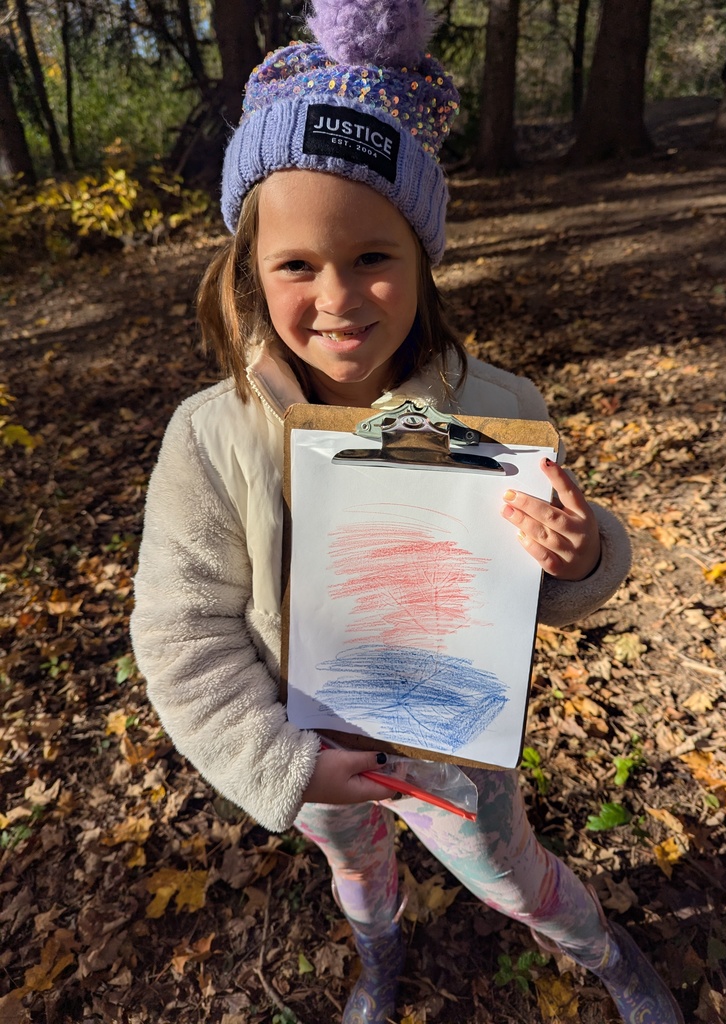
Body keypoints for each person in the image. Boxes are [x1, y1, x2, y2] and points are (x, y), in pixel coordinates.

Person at [131, 2, 685, 1021]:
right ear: (249, 274)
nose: (338, 297)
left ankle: (601, 950)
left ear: (422, 259)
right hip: (314, 751)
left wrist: (580, 552)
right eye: (297, 265)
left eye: (371, 257)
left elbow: (549, 584)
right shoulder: (210, 441)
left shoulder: (500, 409)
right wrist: (287, 767)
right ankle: (379, 954)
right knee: (359, 874)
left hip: (455, 753)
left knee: (512, 875)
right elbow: (181, 633)